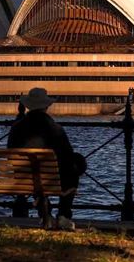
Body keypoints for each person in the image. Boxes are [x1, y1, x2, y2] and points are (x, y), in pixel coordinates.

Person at [7, 87, 81, 230]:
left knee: (36, 175)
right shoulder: (54, 127)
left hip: (24, 177)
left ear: (28, 106)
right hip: (51, 177)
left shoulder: (17, 128)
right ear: (46, 106)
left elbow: (10, 151)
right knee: (76, 164)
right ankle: (64, 215)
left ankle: (44, 214)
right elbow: (67, 154)